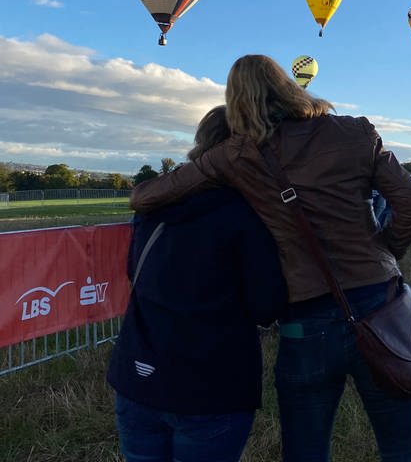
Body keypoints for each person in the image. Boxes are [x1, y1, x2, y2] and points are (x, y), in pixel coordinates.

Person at [130, 55, 411, 462]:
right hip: (382, 308)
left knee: (305, 450)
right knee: (402, 447)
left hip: (305, 320)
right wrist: (383, 254)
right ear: (289, 86)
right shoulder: (355, 132)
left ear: (236, 101)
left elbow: (144, 197)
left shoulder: (237, 154)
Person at [108, 106, 288, 462]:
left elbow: (136, 273)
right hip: (210, 388)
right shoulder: (247, 214)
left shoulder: (152, 204)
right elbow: (267, 305)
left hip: (137, 377)